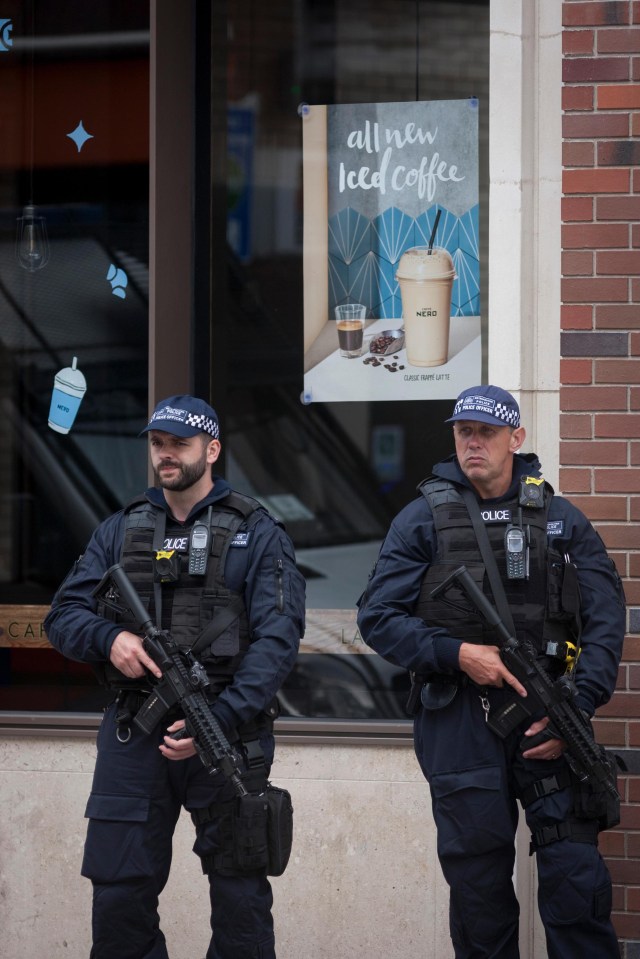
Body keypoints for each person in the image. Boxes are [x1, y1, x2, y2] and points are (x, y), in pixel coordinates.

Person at [356, 384, 625, 959]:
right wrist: (458, 655)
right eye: (463, 432)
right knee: (479, 891)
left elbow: (606, 616)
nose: (473, 443)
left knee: (576, 880)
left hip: (550, 719)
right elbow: (377, 618)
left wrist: (576, 707)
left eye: (486, 432)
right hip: (460, 722)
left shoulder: (558, 516)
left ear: (516, 438)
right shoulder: (422, 519)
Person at [45, 394, 306, 959]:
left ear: (211, 450)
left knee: (241, 901)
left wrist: (222, 715)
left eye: (178, 444)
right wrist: (109, 639)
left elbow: (279, 640)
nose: (165, 455)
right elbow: (62, 617)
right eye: (157, 444)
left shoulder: (258, 532)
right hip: (135, 733)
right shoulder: (119, 529)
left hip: (227, 736)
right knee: (119, 896)